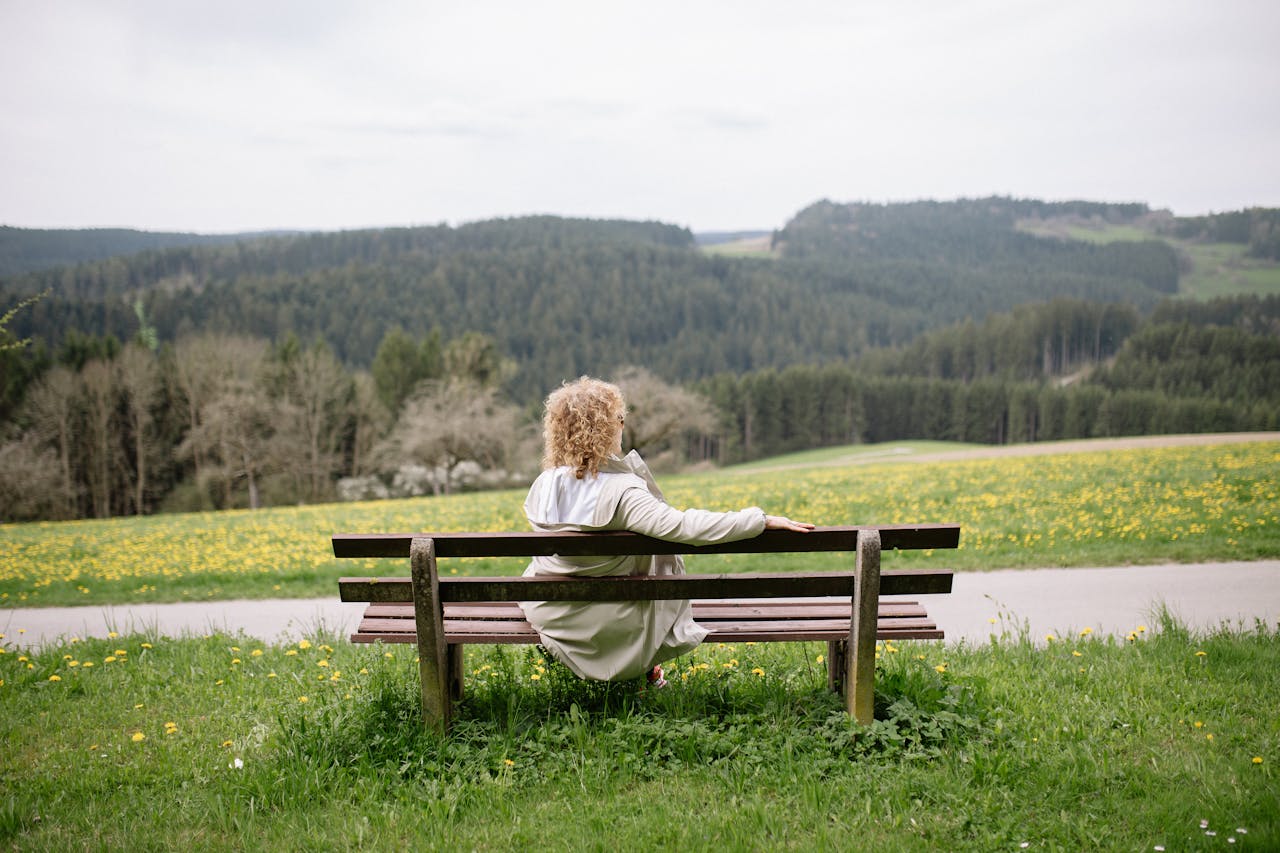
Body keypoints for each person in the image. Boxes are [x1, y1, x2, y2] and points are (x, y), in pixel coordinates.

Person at [520, 376, 814, 685]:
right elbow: (684, 527)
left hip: (555, 612)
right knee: (658, 563)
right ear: (605, 429)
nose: (623, 426)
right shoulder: (623, 491)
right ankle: (645, 670)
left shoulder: (544, 485)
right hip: (613, 619)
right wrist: (758, 520)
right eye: (619, 419)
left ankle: (640, 670)